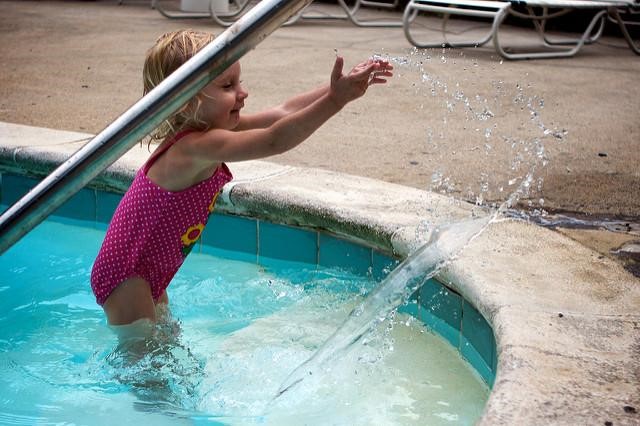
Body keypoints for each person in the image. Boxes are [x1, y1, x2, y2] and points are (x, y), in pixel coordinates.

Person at [90, 29, 394, 327]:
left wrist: (336, 89)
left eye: (239, 82)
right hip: (128, 274)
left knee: (164, 338)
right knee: (143, 353)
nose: (242, 93)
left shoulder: (205, 135)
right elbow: (274, 140)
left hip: (145, 266)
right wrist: (335, 101)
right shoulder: (194, 147)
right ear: (186, 101)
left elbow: (283, 111)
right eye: (227, 86)